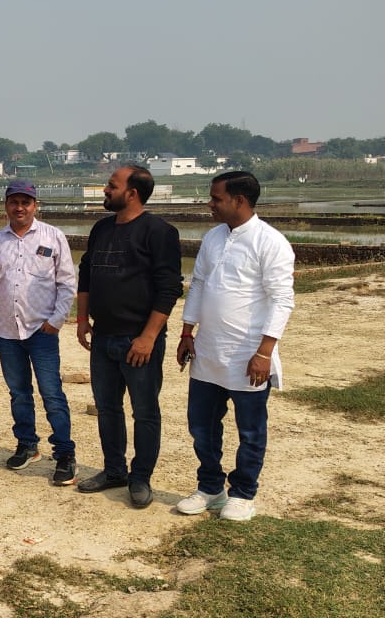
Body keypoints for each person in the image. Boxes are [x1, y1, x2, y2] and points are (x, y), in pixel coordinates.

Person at [175, 171, 294, 521]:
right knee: (202, 426)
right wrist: (186, 332)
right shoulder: (213, 237)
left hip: (247, 355)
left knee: (250, 430)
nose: (210, 204)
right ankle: (211, 487)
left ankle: (243, 493)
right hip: (208, 351)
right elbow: (198, 285)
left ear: (239, 200)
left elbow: (282, 300)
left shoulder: (270, 242)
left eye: (216, 198)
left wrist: (264, 353)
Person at [76, 165, 183, 508]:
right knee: (108, 409)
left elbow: (169, 289)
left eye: (112, 185)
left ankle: (140, 477)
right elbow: (86, 274)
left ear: (132, 193)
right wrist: (82, 318)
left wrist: (148, 337)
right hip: (104, 338)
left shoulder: (159, 232)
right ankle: (114, 470)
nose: (106, 190)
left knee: (145, 411)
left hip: (138, 341)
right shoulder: (102, 228)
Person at [0, 181, 78, 485]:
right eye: (14, 202)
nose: (19, 208)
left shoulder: (52, 236)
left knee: (51, 393)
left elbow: (67, 283)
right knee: (19, 393)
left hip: (42, 331)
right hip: (8, 332)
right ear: (6, 205)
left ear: (35, 205)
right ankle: (27, 444)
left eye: (26, 202)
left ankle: (64, 454)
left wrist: (56, 320)